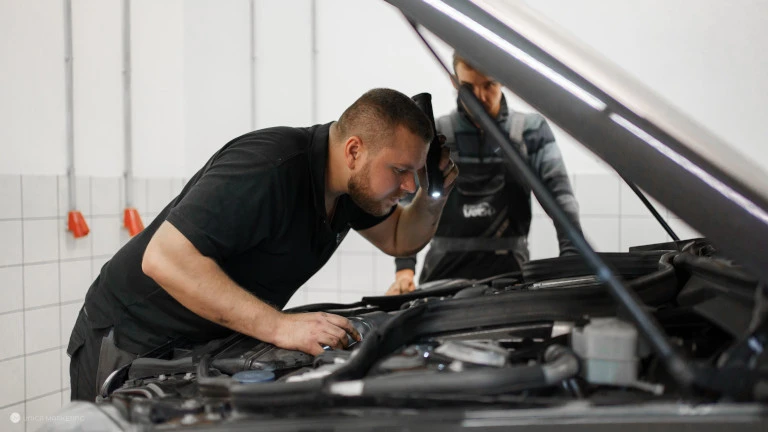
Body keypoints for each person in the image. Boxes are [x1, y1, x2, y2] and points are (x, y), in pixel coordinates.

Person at [67, 88, 458, 401]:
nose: (409, 185)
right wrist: (279, 326)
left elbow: (398, 238)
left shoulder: (348, 194)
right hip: (131, 339)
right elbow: (164, 258)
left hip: (205, 345)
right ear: (354, 151)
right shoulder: (269, 166)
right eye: (400, 171)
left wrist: (432, 195)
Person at [386, 53, 581, 295]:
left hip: (513, 280)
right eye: (468, 88)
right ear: (454, 81)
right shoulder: (437, 135)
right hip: (441, 280)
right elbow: (407, 205)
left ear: (503, 80)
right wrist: (405, 270)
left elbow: (560, 198)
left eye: (489, 85)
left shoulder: (531, 132)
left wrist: (571, 256)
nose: (479, 98)